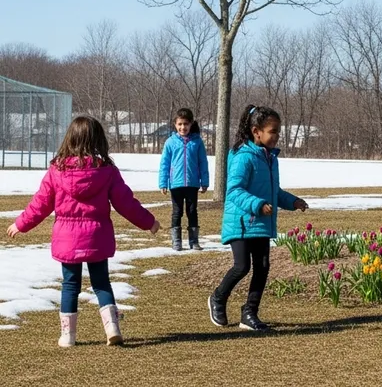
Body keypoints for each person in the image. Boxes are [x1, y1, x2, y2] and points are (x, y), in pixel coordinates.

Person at [6, 115, 159, 347]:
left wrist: (21, 224)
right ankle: (112, 329)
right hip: (97, 237)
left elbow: (40, 204)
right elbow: (126, 203)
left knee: (70, 285)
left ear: (70, 139)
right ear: (98, 140)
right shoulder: (107, 171)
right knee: (101, 284)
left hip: (67, 240)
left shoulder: (56, 171)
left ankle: (68, 336)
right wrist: (149, 222)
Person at [208, 105, 308, 332]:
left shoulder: (271, 158)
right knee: (242, 266)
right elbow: (233, 190)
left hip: (261, 222)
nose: (276, 136)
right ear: (256, 131)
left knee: (262, 267)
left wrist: (292, 202)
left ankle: (249, 313)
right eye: (273, 131)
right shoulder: (244, 157)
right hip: (242, 222)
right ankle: (218, 298)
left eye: (278, 132)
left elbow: (274, 192)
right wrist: (258, 205)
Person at [159, 107, 209, 251]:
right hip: (176, 184)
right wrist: (163, 183)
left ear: (191, 124)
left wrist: (204, 181)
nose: (183, 127)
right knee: (177, 212)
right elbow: (165, 164)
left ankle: (194, 241)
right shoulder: (170, 142)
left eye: (186, 124)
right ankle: (177, 241)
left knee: (192, 211)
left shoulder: (197, 142)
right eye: (180, 124)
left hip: (192, 184)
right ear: (175, 124)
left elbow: (203, 162)